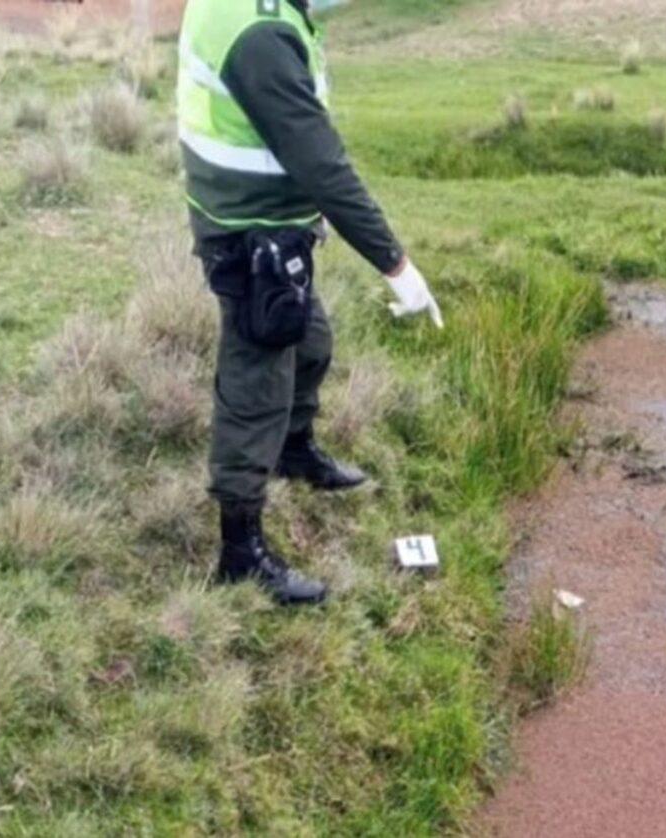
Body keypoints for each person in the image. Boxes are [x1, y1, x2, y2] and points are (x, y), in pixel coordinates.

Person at [176, 0, 442, 606]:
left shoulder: (271, 10)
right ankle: (240, 551)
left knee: (311, 340)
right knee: (256, 385)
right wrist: (395, 264)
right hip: (246, 231)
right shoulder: (258, 31)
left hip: (266, 221)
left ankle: (293, 451)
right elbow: (320, 161)